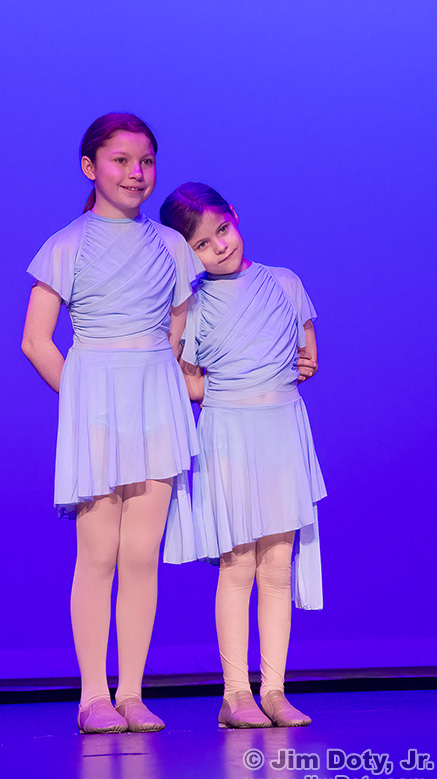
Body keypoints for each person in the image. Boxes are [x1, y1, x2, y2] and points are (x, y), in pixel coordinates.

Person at [22, 114, 202, 734]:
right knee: (98, 554)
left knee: (142, 555)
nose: (135, 173)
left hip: (155, 404)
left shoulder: (173, 247)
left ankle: (131, 693)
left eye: (145, 161)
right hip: (98, 407)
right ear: (89, 167)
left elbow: (177, 340)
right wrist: (82, 401)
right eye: (121, 160)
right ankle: (93, 696)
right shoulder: (66, 244)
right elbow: (35, 340)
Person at [160, 182, 326, 728]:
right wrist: (228, 387)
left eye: (223, 230)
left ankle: (274, 690)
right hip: (229, 434)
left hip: (281, 431)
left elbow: (306, 351)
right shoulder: (194, 303)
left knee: (277, 564)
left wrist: (301, 367)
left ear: (234, 216)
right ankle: (236, 695)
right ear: (188, 253)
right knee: (238, 567)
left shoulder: (284, 282)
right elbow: (182, 378)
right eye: (202, 245)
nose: (220, 247)